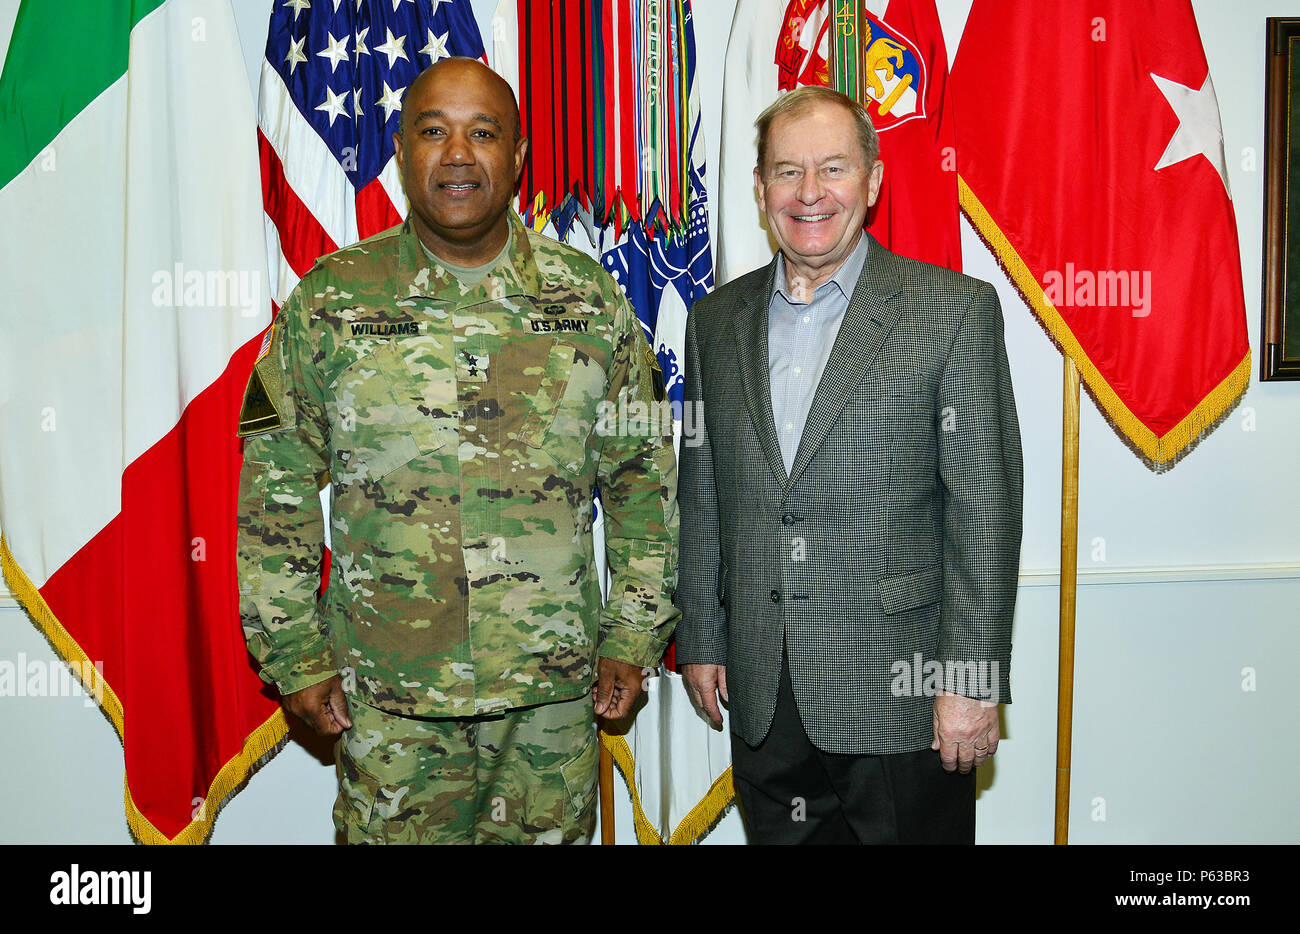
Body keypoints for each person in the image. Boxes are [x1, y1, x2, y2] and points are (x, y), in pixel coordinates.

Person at [235, 57, 678, 844]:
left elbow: (644, 482)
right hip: (391, 703)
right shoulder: (333, 302)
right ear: (401, 152)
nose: (459, 155)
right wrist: (295, 654)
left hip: (550, 703)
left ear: (518, 156)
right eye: (433, 132)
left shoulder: (588, 299)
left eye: (483, 133)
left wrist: (633, 634)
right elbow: (279, 492)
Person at [676, 85, 1023, 845]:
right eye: (787, 171)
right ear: (760, 187)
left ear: (872, 181)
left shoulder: (953, 311)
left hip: (903, 695)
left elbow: (983, 509)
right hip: (764, 691)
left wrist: (970, 679)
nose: (809, 193)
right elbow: (702, 493)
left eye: (832, 168)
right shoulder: (714, 322)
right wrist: (701, 635)